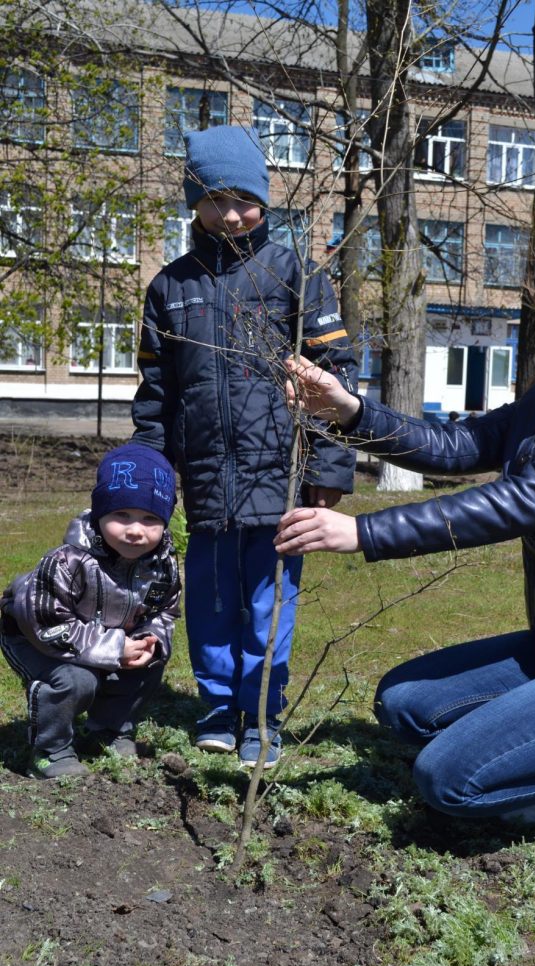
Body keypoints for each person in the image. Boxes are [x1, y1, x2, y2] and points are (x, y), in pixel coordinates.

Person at [275, 239, 535, 846]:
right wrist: (352, 412)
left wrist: (363, 531)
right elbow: (458, 447)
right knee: (405, 703)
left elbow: (521, 501)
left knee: (449, 780)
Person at [132, 124, 357, 768]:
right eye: (213, 200)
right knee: (210, 600)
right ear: (192, 204)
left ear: (265, 199)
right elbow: (155, 394)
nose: (230, 214)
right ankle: (215, 708)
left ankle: (260, 716)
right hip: (203, 479)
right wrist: (153, 474)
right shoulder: (169, 288)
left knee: (269, 604)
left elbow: (332, 377)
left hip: (279, 478)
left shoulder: (296, 277)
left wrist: (329, 463)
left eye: (243, 199)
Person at [0, 443, 181, 779]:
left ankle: (108, 730)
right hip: (34, 636)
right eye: (121, 515)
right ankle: (50, 751)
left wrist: (148, 639)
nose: (135, 529)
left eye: (150, 518)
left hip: (104, 636)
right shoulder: (68, 561)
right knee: (75, 679)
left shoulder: (162, 566)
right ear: (100, 513)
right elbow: (47, 623)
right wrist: (114, 647)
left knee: (146, 665)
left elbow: (165, 610)